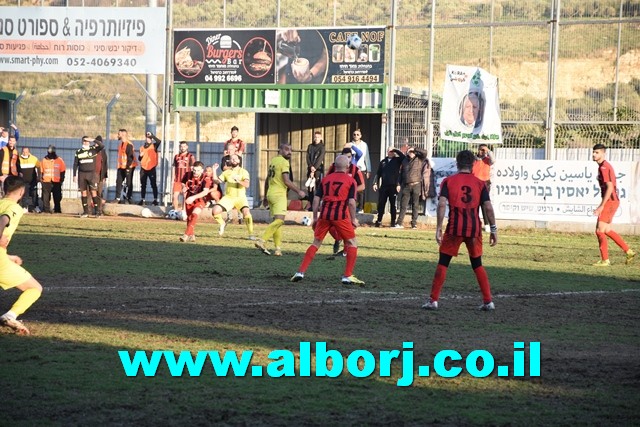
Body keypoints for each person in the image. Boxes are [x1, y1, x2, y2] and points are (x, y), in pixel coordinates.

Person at [422, 150, 497, 311]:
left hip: (455, 228)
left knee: (443, 262)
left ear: (457, 164)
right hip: (474, 229)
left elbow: (442, 204)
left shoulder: (448, 181)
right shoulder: (480, 183)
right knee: (477, 264)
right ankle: (488, 301)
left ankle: (433, 300)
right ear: (473, 165)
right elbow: (488, 208)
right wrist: (493, 229)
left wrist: (438, 228)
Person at [290, 154, 365, 285]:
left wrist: (314, 218)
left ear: (334, 166)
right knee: (352, 243)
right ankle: (347, 275)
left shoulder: (325, 179)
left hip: (324, 215)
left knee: (316, 243)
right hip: (340, 216)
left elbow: (316, 200)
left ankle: (300, 272)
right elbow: (352, 203)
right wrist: (353, 219)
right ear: (347, 167)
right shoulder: (350, 181)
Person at [0, 176, 43, 335]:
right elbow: (3, 220)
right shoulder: (14, 208)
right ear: (21, 192)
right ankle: (10, 316)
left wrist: (8, 257)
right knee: (34, 288)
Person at [254, 143, 306, 256]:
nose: (290, 152)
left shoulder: (273, 161)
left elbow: (268, 179)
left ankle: (278, 249)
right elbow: (286, 181)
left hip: (271, 193)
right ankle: (262, 240)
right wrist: (299, 191)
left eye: (291, 150)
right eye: (287, 149)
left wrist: (265, 196)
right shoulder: (284, 162)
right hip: (279, 194)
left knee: (277, 222)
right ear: (280, 150)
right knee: (280, 221)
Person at [591, 144, 635, 266]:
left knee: (599, 231)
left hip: (610, 202)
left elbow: (610, 188)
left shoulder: (604, 167)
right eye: (593, 152)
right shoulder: (603, 166)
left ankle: (605, 260)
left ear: (603, 153)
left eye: (597, 152)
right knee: (606, 230)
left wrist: (601, 206)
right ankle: (628, 251)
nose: (594, 154)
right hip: (612, 201)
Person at [326, 147, 365, 256]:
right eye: (345, 157)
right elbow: (326, 181)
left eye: (349, 157)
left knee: (348, 227)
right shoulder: (333, 167)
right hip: (333, 203)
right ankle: (337, 239)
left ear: (351, 157)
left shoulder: (355, 169)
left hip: (347, 203)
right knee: (329, 224)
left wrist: (350, 191)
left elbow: (362, 186)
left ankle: (345, 251)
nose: (347, 160)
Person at [210, 155, 255, 239]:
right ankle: (222, 223)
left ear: (239, 160)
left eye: (235, 158)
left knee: (247, 213)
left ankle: (251, 234)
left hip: (241, 197)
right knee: (215, 211)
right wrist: (214, 170)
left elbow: (247, 184)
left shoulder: (244, 171)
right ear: (229, 161)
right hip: (229, 197)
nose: (233, 160)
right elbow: (217, 181)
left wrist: (238, 180)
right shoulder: (227, 172)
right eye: (231, 159)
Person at [396, 146, 430, 229]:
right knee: (403, 205)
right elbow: (401, 173)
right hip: (406, 185)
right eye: (409, 152)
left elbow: (425, 152)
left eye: (412, 152)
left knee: (415, 205)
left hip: (416, 184)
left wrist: (414, 149)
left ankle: (414, 224)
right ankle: (399, 223)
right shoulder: (404, 160)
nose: (411, 153)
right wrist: (398, 184)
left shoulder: (419, 159)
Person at [179, 161, 213, 242]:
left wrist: (193, 198)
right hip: (189, 198)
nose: (195, 172)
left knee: (194, 215)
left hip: (200, 199)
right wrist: (184, 187)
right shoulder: (188, 174)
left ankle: (185, 235)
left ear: (202, 170)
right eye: (194, 170)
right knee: (189, 217)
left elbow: (205, 192)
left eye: (198, 170)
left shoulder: (206, 178)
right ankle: (192, 235)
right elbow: (183, 183)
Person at [73, 135, 105, 218]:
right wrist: (74, 175)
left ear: (89, 142)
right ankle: (85, 212)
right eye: (84, 141)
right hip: (82, 174)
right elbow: (75, 164)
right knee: (83, 193)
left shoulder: (93, 150)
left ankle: (97, 211)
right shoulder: (78, 152)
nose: (85, 142)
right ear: (82, 142)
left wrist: (93, 139)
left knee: (93, 192)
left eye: (87, 141)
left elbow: (102, 146)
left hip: (91, 174)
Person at [372, 147, 404, 227]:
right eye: (389, 151)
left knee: (393, 205)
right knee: (381, 203)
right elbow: (378, 173)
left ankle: (393, 222)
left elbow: (403, 157)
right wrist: (375, 183)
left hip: (394, 186)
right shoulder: (383, 162)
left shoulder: (397, 160)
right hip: (384, 186)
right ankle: (379, 221)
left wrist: (396, 150)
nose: (390, 152)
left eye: (392, 151)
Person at [472, 143, 495, 232]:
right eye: (481, 150)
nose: (482, 152)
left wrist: (488, 151)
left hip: (485, 183)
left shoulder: (488, 160)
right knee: (474, 204)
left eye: (484, 150)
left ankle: (486, 224)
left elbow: (493, 160)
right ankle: (475, 223)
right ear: (478, 150)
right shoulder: (473, 159)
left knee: (484, 204)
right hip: (474, 183)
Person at [40, 145, 66, 214]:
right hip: (46, 181)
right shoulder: (44, 160)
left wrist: (61, 180)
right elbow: (41, 171)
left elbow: (62, 171)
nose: (50, 154)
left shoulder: (60, 160)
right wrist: (41, 179)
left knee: (57, 197)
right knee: (45, 197)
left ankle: (57, 210)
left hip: (56, 181)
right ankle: (46, 210)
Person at [113, 128, 136, 204]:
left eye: (119, 134)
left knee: (129, 182)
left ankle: (129, 197)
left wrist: (128, 168)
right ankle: (117, 198)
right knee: (118, 181)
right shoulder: (121, 144)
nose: (118, 135)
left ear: (123, 135)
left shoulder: (128, 144)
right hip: (121, 166)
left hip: (128, 167)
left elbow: (130, 157)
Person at [138, 131, 161, 206]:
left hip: (151, 168)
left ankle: (155, 200)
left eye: (150, 138)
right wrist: (140, 156)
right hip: (143, 168)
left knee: (153, 184)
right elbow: (139, 159)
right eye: (147, 137)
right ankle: (143, 199)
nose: (148, 139)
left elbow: (159, 141)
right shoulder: (142, 147)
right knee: (143, 184)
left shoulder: (154, 146)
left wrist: (152, 136)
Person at [350, 129, 371, 212]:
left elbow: (367, 158)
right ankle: (353, 206)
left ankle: (361, 207)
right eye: (354, 134)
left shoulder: (364, 145)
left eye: (358, 134)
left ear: (361, 136)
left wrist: (368, 170)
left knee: (361, 189)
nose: (356, 136)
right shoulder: (350, 144)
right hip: (352, 170)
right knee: (352, 188)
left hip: (361, 169)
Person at [304, 131, 325, 210]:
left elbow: (320, 158)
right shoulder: (310, 146)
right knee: (310, 188)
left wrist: (315, 168)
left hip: (318, 170)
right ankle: (312, 205)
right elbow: (307, 157)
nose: (316, 138)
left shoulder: (322, 147)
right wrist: (310, 167)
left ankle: (318, 205)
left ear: (321, 138)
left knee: (318, 187)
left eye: (318, 137)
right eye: (315, 137)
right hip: (310, 169)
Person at [172, 141, 195, 210]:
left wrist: (191, 179)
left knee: (185, 196)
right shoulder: (176, 156)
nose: (182, 148)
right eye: (181, 146)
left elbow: (192, 168)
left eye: (184, 146)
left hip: (186, 180)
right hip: (177, 180)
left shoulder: (190, 156)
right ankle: (175, 211)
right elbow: (174, 167)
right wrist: (173, 178)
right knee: (175, 196)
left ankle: (184, 212)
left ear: (187, 147)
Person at [18, 147, 39, 212]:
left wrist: (39, 176)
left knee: (34, 194)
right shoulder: (19, 159)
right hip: (23, 181)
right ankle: (25, 207)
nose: (25, 153)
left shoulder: (34, 159)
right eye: (23, 152)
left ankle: (36, 207)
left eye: (26, 152)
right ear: (22, 152)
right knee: (25, 194)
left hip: (33, 180)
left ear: (29, 152)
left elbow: (39, 167)